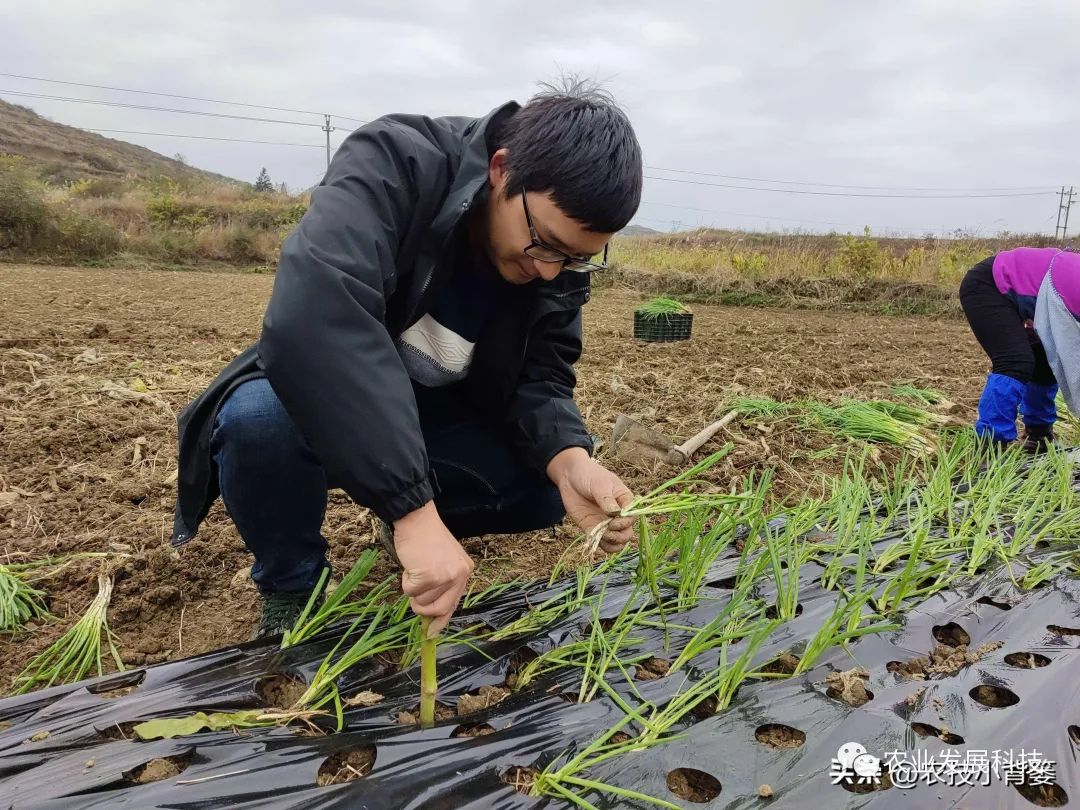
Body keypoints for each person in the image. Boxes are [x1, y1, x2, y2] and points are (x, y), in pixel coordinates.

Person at [171, 79, 643, 639]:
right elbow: (318, 318)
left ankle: (405, 527)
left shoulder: (553, 263)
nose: (547, 270)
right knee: (256, 423)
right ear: (501, 170)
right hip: (331, 397)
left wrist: (572, 462)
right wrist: (412, 510)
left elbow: (540, 376)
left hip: (437, 417)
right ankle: (293, 591)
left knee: (542, 487)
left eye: (575, 259)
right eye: (543, 243)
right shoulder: (394, 164)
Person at [959, 245, 1080, 452]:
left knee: (1045, 363)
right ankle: (990, 447)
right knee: (1015, 362)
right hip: (990, 285)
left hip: (1037, 295)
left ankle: (1039, 435)